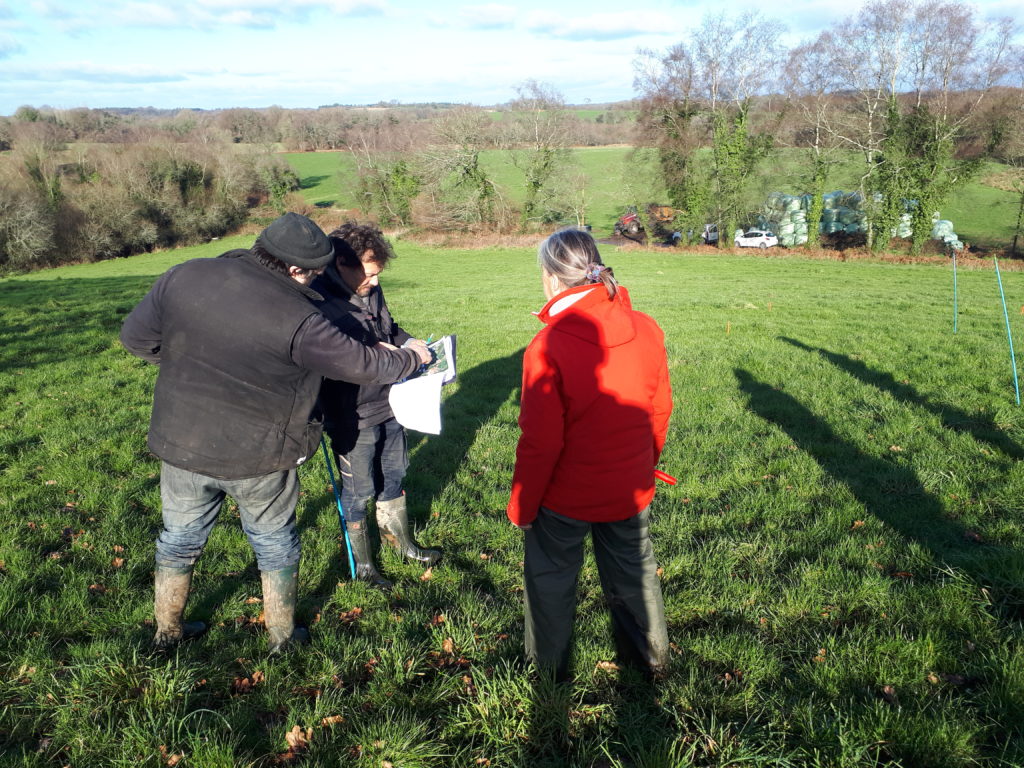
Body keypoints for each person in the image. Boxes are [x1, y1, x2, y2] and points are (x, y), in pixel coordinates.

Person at [120, 212, 430, 654]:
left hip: (182, 442)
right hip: (260, 454)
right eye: (315, 274)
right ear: (296, 269)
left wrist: (195, 369)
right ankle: (281, 640)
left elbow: (137, 340)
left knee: (180, 538)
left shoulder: (185, 274)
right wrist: (412, 359)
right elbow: (366, 364)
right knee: (274, 543)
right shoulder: (299, 316)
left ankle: (165, 633)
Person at [506, 228, 672, 681]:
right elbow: (659, 410)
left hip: (564, 497)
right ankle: (650, 658)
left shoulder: (547, 346)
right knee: (635, 572)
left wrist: (522, 505)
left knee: (551, 578)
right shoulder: (647, 328)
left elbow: (540, 442)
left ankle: (548, 672)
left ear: (551, 278)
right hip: (629, 485)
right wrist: (644, 464)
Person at [312, 222, 440, 589]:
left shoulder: (369, 291)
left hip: (392, 401)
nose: (375, 283)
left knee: (395, 473)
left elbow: (388, 329)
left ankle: (401, 544)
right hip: (351, 414)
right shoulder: (318, 301)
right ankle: (365, 565)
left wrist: (409, 340)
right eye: (369, 274)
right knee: (358, 490)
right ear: (342, 264)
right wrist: (377, 353)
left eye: (378, 275)